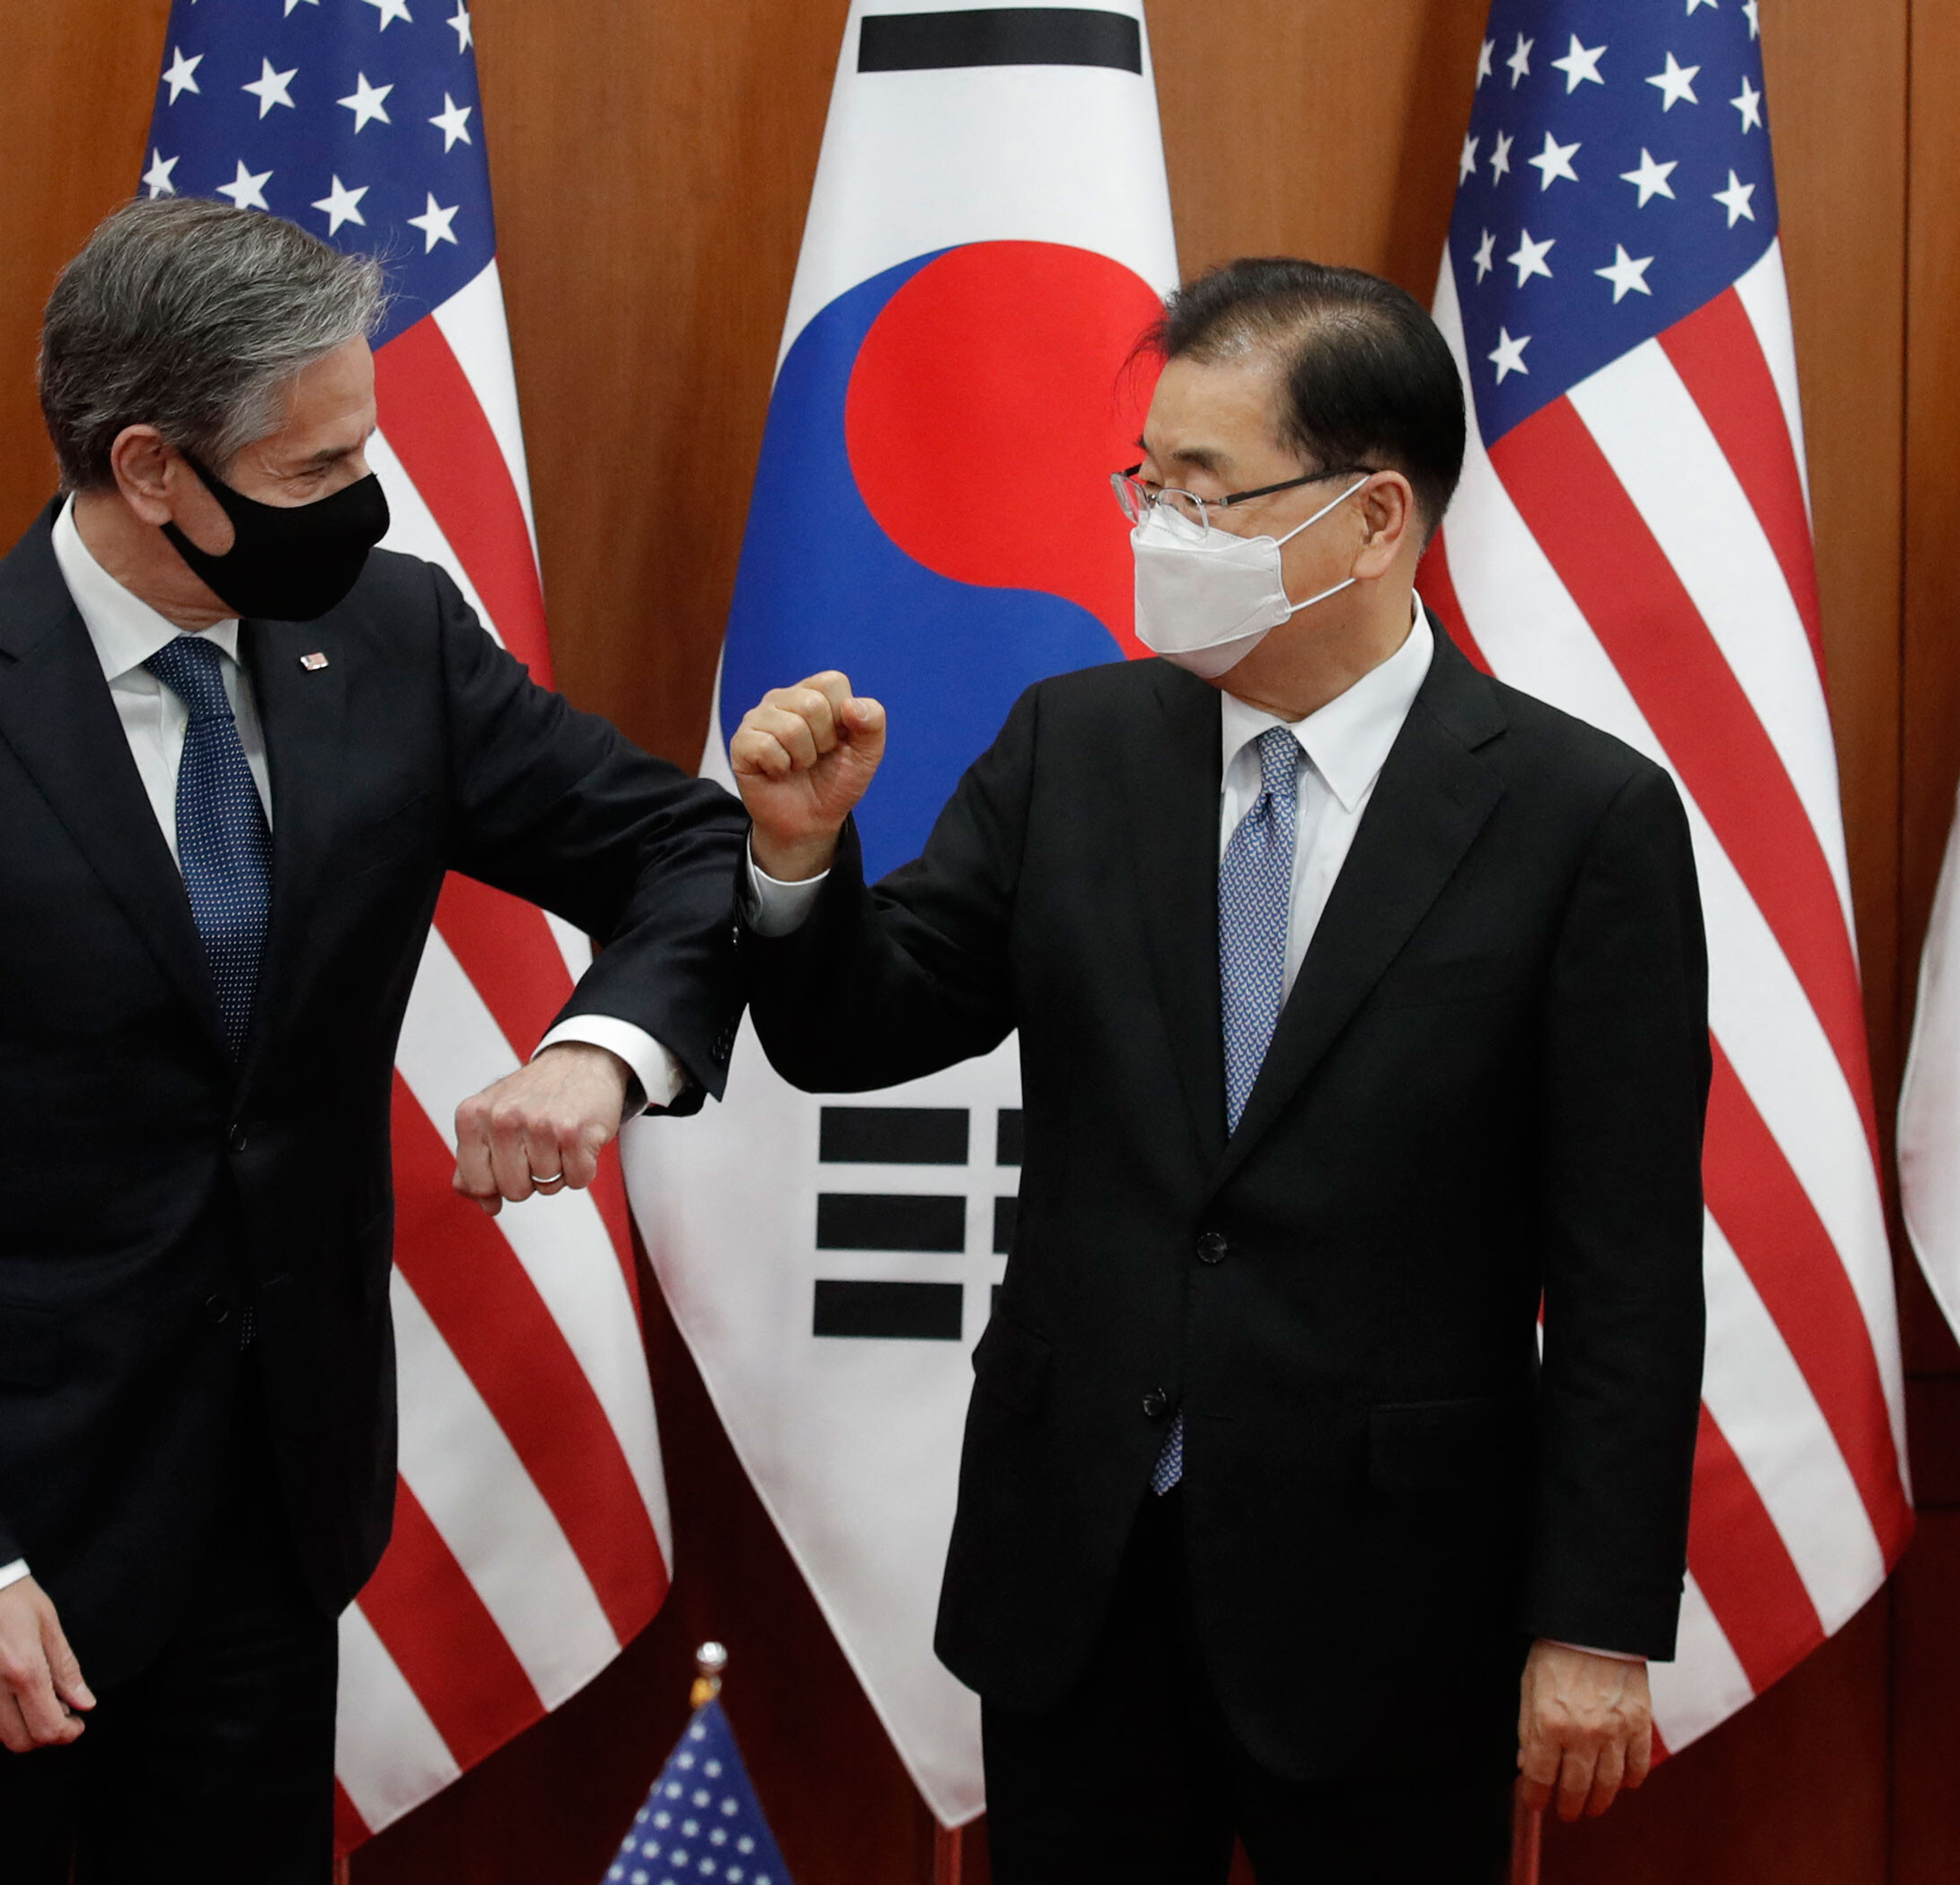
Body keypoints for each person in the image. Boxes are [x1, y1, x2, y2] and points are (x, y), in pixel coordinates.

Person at [0, 197, 747, 1881]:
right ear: (148, 470)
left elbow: (682, 847)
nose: (363, 502)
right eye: (309, 473)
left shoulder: (396, 641)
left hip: (271, 1530)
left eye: (363, 453)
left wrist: (601, 1048)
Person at [730, 258, 1708, 1883]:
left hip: (1394, 1603)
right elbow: (859, 1029)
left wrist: (1593, 1621)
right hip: (1080, 1569)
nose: (1155, 535)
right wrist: (795, 861)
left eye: (1206, 494)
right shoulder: (1075, 747)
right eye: (1145, 484)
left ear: (1378, 518)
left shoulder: (1575, 819)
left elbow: (1624, 1269)